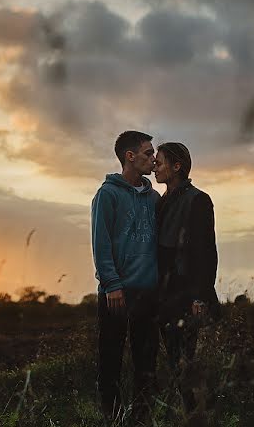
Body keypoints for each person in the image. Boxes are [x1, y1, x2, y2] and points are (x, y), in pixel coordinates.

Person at [91, 130, 160, 422]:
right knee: (111, 361)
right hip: (117, 293)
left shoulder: (155, 197)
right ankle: (114, 418)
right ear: (129, 157)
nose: (153, 159)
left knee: (146, 363)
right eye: (147, 153)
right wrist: (112, 284)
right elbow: (101, 243)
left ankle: (141, 419)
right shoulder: (107, 194)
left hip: (149, 293)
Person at [152, 142, 220, 418]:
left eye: (160, 162)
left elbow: (206, 251)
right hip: (163, 294)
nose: (155, 166)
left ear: (177, 166)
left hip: (186, 294)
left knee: (186, 359)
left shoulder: (198, 199)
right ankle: (188, 412)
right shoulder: (161, 201)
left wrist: (199, 296)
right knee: (173, 359)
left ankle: (196, 414)